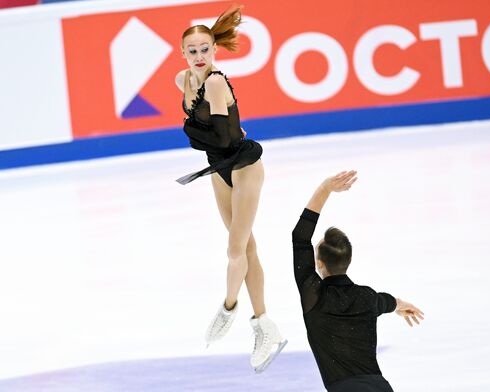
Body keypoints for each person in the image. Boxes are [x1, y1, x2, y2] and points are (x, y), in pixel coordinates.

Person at [174, 5, 286, 373]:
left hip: (244, 166)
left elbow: (222, 135)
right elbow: (210, 140)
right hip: (219, 170)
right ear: (183, 53)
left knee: (235, 248)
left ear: (215, 51)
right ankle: (265, 325)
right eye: (193, 50)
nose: (199, 56)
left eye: (205, 49)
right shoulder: (183, 81)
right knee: (247, 248)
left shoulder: (217, 82)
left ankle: (228, 307)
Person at [292, 170, 425, 391]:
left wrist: (325, 189)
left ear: (319, 263)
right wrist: (400, 305)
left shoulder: (314, 296)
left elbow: (300, 237)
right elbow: (387, 301)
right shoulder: (367, 297)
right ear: (349, 259)